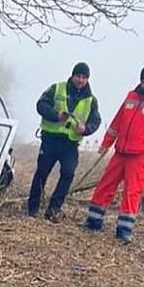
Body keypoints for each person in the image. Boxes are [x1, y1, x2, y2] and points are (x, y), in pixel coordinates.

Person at [84, 65, 144, 244]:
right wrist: (106, 143)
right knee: (105, 185)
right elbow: (117, 122)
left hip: (139, 155)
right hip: (120, 151)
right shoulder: (131, 96)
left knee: (132, 192)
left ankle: (123, 229)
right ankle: (93, 221)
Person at [28, 62, 101, 221]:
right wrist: (56, 115)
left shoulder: (91, 100)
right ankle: (32, 209)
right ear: (72, 75)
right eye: (78, 76)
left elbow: (96, 121)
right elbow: (40, 105)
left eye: (84, 77)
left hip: (70, 144)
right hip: (50, 140)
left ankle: (53, 209)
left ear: (88, 79)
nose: (80, 80)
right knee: (41, 173)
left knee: (68, 174)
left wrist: (86, 129)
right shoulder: (56, 88)